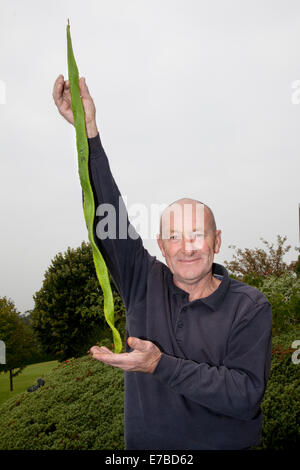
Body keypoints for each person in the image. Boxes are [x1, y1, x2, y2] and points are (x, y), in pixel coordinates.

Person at [52, 75, 272, 450]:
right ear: (161, 245)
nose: (186, 247)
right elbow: (107, 212)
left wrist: (159, 364)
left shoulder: (249, 306)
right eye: (174, 237)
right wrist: (87, 132)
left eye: (197, 235)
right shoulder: (143, 281)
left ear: (217, 241)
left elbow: (245, 393)